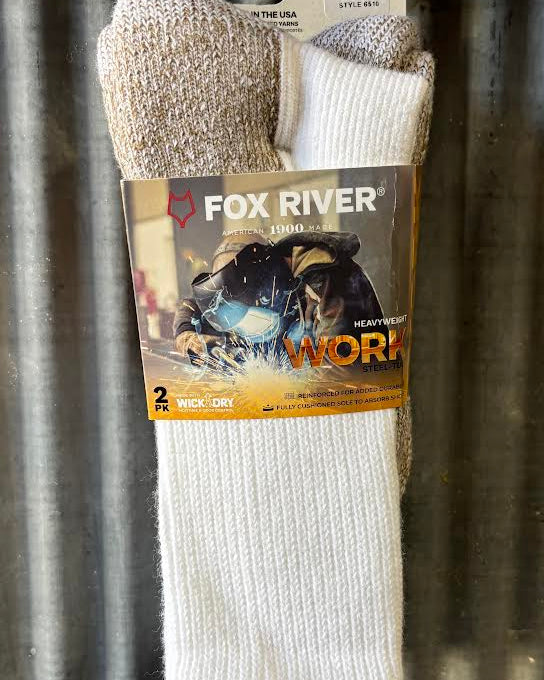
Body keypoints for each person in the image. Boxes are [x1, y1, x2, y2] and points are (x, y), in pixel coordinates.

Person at [173, 230, 387, 360]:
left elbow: (340, 370)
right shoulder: (273, 279)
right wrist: (186, 333)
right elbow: (194, 304)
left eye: (237, 287)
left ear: (260, 273)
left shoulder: (326, 279)